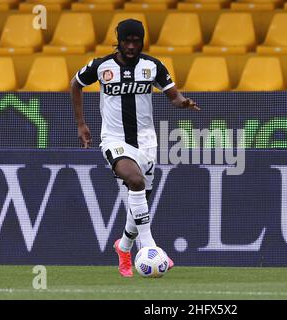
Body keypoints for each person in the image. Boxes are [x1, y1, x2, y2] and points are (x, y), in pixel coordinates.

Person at [70, 19, 199, 277]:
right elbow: (76, 84)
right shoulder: (100, 66)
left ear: (142, 41)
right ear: (118, 40)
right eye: (126, 41)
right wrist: (81, 124)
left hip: (147, 142)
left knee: (139, 203)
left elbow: (173, 95)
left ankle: (124, 247)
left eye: (136, 41)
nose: (131, 46)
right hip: (114, 139)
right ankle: (149, 246)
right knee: (135, 181)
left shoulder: (152, 66)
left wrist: (183, 102)